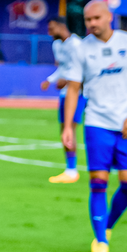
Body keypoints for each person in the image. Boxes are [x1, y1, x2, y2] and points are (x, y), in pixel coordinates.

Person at [62, 0, 127, 252]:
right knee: (98, 183)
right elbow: (73, 88)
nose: (92, 23)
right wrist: (68, 126)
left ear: (109, 17)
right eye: (87, 20)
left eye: (96, 18)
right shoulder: (81, 49)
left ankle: (108, 225)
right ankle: (101, 240)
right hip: (97, 123)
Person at [41, 16, 85, 184]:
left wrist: (67, 80)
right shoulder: (57, 45)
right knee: (64, 130)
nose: (49, 32)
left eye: (51, 28)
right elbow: (62, 68)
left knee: (70, 129)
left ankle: (72, 170)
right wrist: (50, 80)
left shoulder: (77, 45)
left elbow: (82, 69)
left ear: (61, 27)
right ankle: (70, 168)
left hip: (78, 93)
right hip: (65, 94)